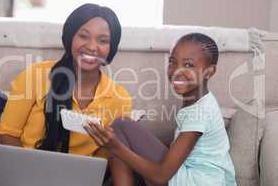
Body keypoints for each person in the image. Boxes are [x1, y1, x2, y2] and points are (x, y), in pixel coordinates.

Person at [0, 3, 132, 186]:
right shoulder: (35, 76)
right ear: (70, 38)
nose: (92, 47)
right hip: (22, 176)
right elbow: (7, 134)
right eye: (83, 36)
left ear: (112, 48)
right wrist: (31, 174)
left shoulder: (120, 98)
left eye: (102, 40)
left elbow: (102, 160)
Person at [85, 33, 237, 186]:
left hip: (198, 180)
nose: (177, 71)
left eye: (189, 65)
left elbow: (160, 177)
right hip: (199, 176)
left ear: (209, 72)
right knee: (122, 129)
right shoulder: (199, 102)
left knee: (121, 126)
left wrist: (117, 148)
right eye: (172, 62)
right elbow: (186, 151)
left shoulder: (200, 113)